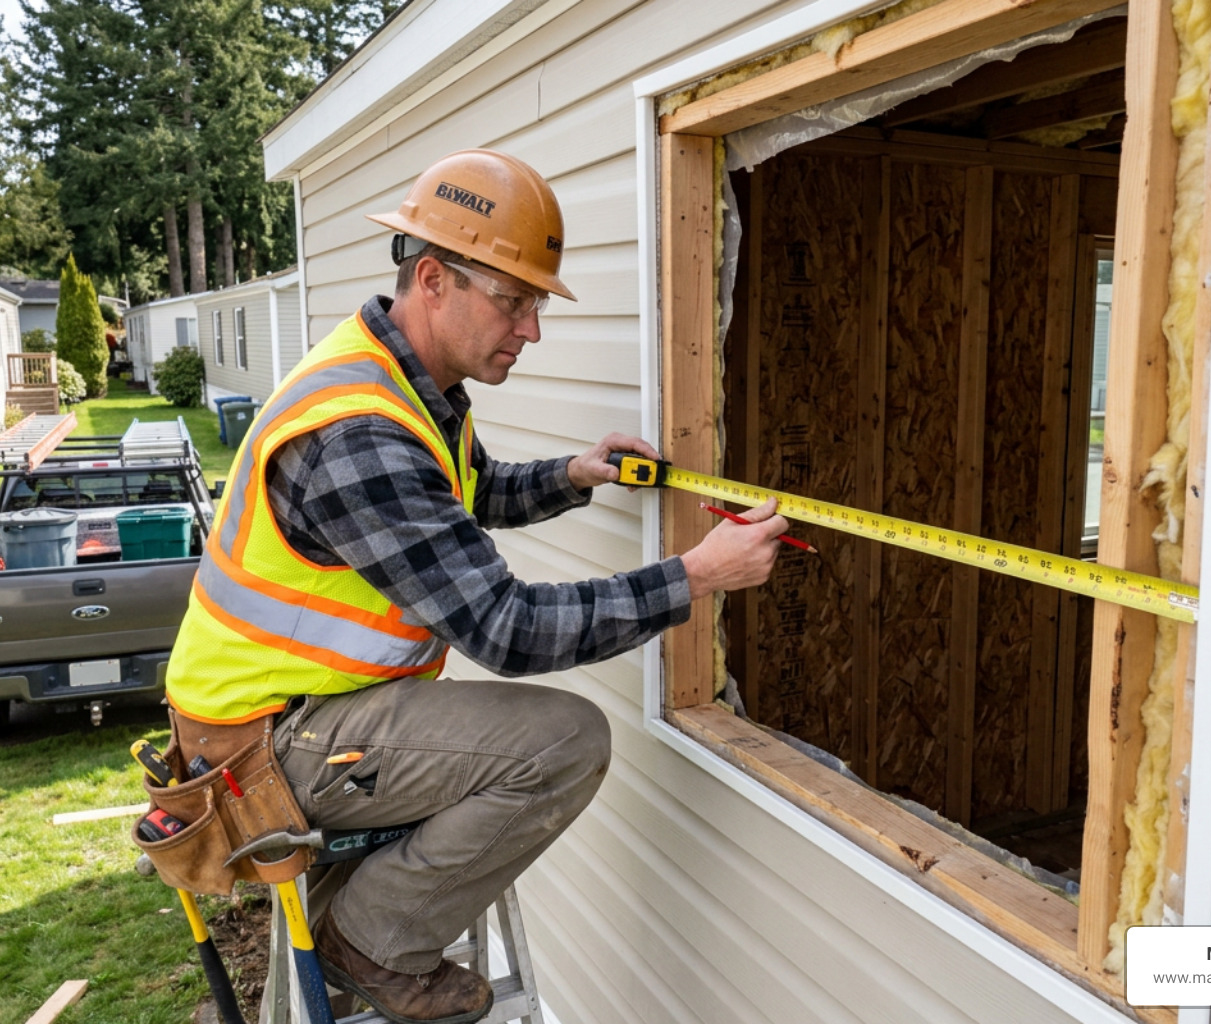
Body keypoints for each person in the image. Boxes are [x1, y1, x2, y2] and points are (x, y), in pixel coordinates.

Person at [163, 149, 787, 1024]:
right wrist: (697, 576)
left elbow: (469, 492)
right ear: (432, 278)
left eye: (535, 304)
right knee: (563, 741)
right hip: (260, 751)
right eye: (515, 300)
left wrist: (575, 473)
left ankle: (358, 924)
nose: (531, 329)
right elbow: (508, 630)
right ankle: (370, 940)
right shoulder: (360, 436)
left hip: (289, 715)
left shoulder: (411, 386)